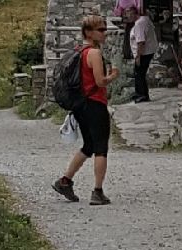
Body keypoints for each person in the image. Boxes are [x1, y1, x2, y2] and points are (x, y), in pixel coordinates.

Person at [54, 15, 118, 206]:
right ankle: (97, 192)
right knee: (101, 148)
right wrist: (113, 75)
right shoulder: (94, 54)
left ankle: (65, 180)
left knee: (88, 146)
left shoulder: (79, 51)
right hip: (95, 104)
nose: (104, 33)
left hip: (81, 105)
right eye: (101, 30)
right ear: (89, 33)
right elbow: (100, 82)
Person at [128, 8, 156, 103]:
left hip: (144, 52)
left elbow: (141, 42)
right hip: (149, 51)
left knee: (138, 73)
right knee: (140, 73)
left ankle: (141, 95)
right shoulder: (145, 19)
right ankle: (141, 93)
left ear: (134, 14)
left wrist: (138, 56)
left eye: (129, 15)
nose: (128, 17)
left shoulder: (139, 24)